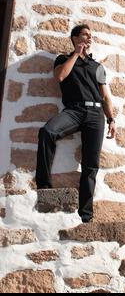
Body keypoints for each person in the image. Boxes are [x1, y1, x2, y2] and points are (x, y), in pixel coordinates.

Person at [35, 24, 116, 223]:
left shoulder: (97, 66)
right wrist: (76, 54)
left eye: (91, 36)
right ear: (74, 38)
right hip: (74, 110)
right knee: (47, 132)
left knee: (91, 164)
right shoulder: (63, 59)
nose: (89, 38)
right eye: (85, 35)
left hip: (96, 114)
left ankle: (86, 214)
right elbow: (60, 76)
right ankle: (44, 186)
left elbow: (105, 96)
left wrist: (111, 119)